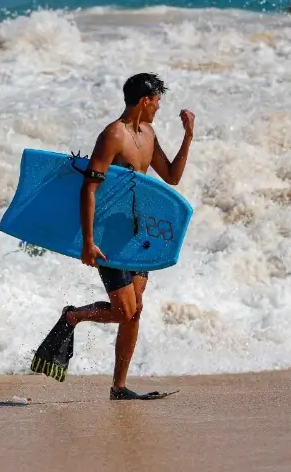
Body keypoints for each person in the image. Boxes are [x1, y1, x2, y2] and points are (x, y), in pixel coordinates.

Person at [30, 73, 196, 400]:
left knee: (136, 311)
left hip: (138, 236)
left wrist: (188, 137)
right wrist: (88, 241)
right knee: (123, 311)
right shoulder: (112, 135)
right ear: (145, 100)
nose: (159, 107)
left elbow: (172, 177)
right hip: (110, 235)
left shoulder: (148, 134)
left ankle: (119, 387)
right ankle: (73, 315)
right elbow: (89, 188)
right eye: (157, 100)